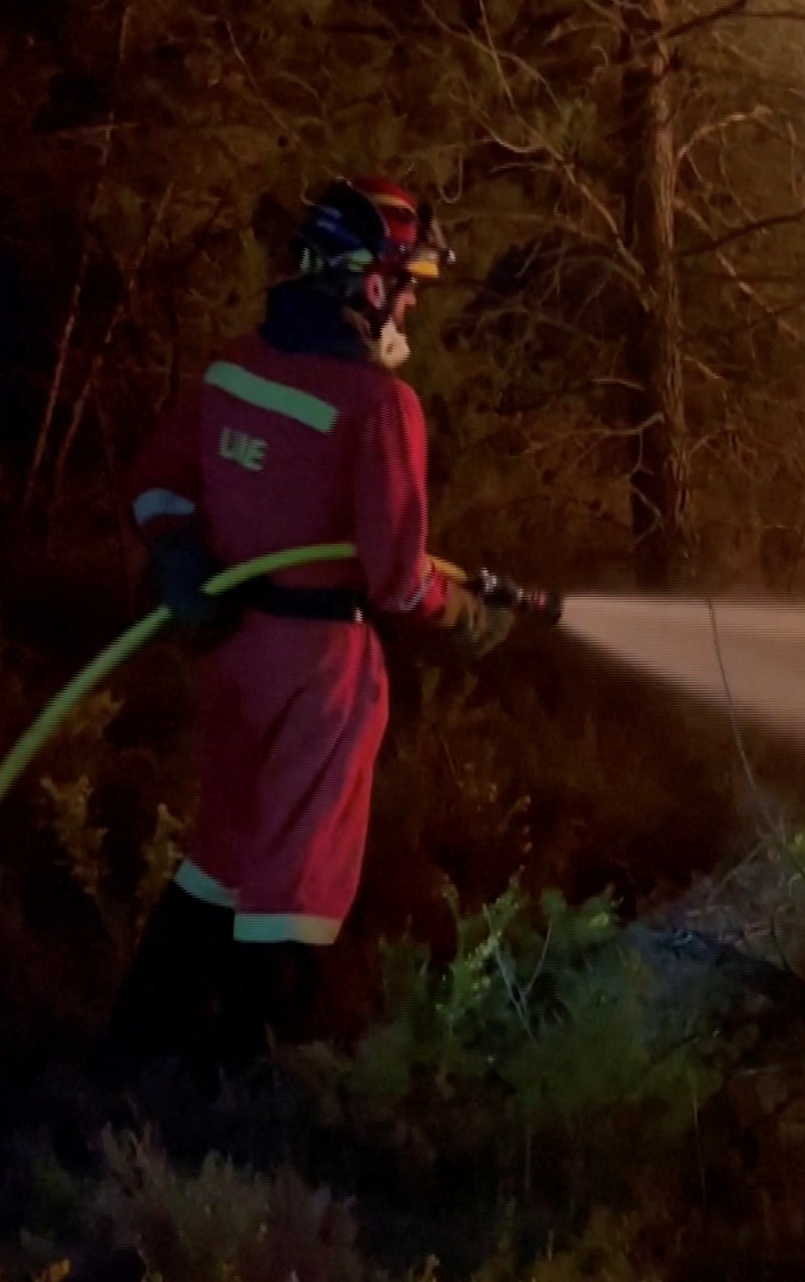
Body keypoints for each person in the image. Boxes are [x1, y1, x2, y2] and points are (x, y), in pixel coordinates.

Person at [102, 174, 511, 1071]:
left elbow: (158, 480)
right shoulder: (382, 408)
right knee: (297, 882)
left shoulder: (235, 367)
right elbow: (399, 582)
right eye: (406, 282)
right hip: (323, 671)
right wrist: (464, 614)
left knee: (221, 855)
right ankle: (253, 1089)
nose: (411, 300)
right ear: (365, 282)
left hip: (231, 652)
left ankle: (130, 1060)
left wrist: (177, 553)